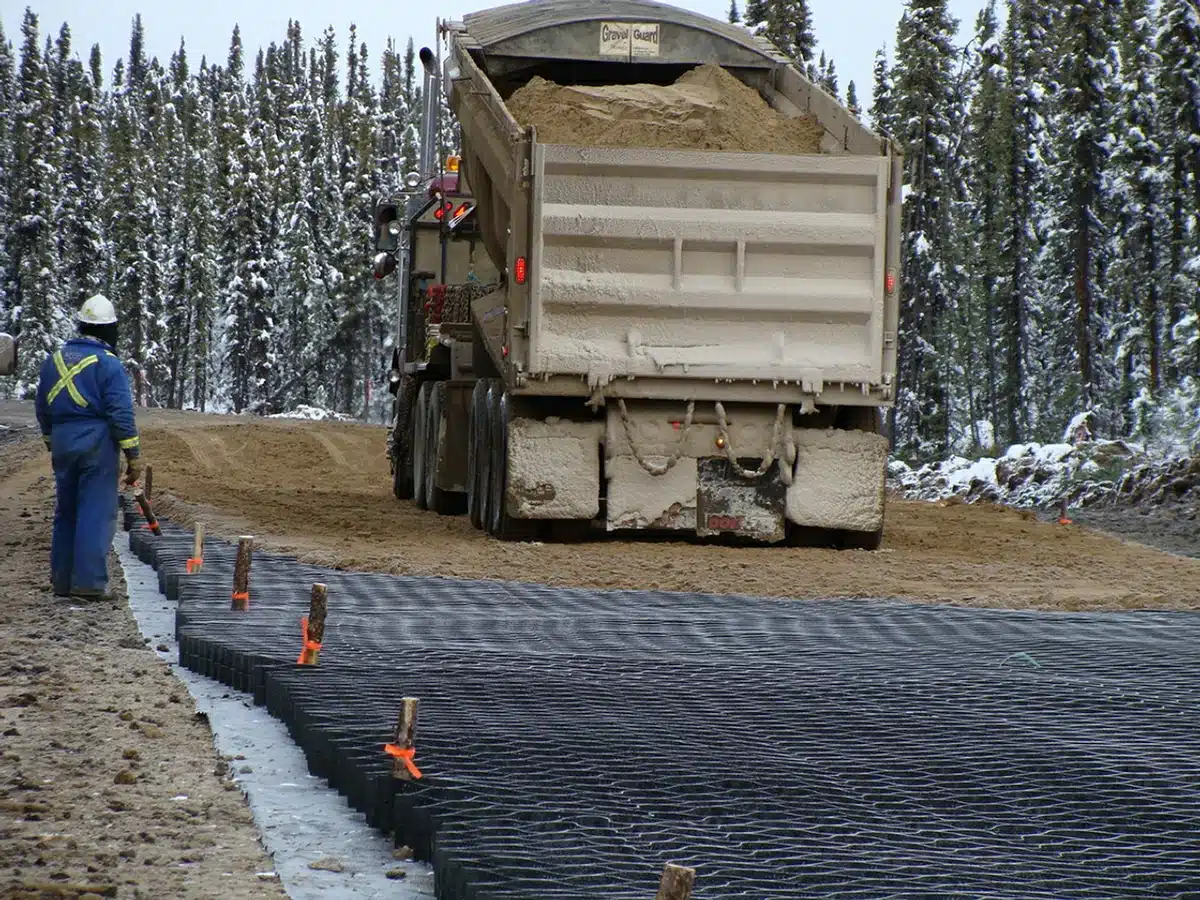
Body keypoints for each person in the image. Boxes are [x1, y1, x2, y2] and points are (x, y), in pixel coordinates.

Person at [35, 295, 144, 601]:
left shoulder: (54, 360)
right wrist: (133, 455)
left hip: (62, 442)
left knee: (66, 512)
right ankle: (89, 583)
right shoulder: (108, 365)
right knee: (95, 512)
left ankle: (62, 581)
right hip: (96, 444)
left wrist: (51, 442)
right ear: (109, 330)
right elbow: (121, 413)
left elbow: (42, 407)